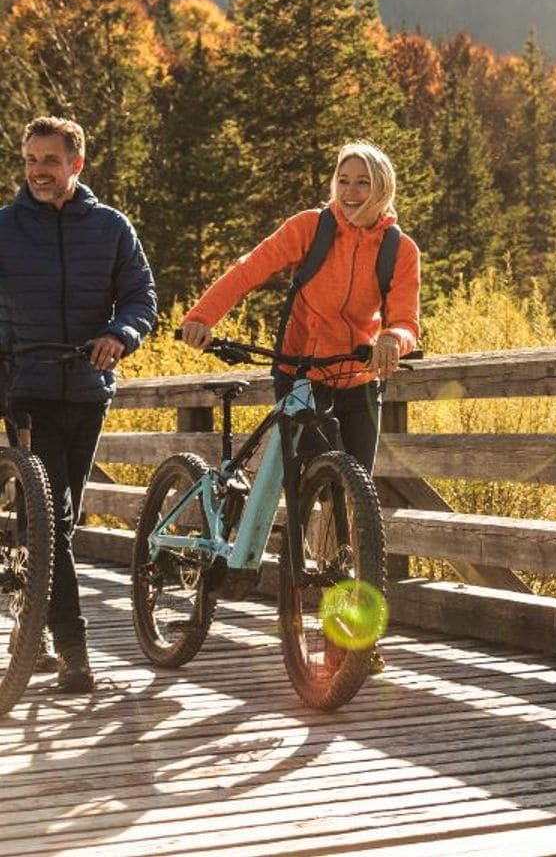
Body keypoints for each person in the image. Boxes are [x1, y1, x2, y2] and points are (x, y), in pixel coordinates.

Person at [0, 116, 157, 693]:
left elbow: (141, 295)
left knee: (50, 515)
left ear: (76, 164)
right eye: (31, 160)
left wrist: (120, 334)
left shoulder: (111, 228)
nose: (39, 171)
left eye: (51, 160)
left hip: (89, 388)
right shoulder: (5, 228)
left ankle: (31, 628)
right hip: (27, 385)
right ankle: (73, 649)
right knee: (54, 518)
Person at [180, 141, 420, 477]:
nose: (350, 191)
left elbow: (406, 320)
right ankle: (295, 528)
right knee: (318, 476)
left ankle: (347, 532)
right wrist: (201, 317)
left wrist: (393, 337)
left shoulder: (400, 249)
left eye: (362, 182)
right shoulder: (311, 227)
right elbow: (249, 269)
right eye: (343, 180)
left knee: (357, 489)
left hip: (361, 376)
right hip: (301, 372)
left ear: (382, 186)